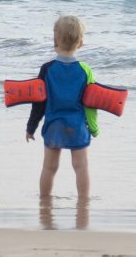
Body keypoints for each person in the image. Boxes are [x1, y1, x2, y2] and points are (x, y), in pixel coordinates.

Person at [26, 15, 98, 199]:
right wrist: (94, 128)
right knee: (81, 167)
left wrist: (31, 127)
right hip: (78, 126)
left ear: (55, 40)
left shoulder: (47, 69)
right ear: (80, 43)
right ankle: (83, 201)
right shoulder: (85, 70)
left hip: (53, 125)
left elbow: (39, 102)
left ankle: (44, 201)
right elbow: (91, 104)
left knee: (49, 167)